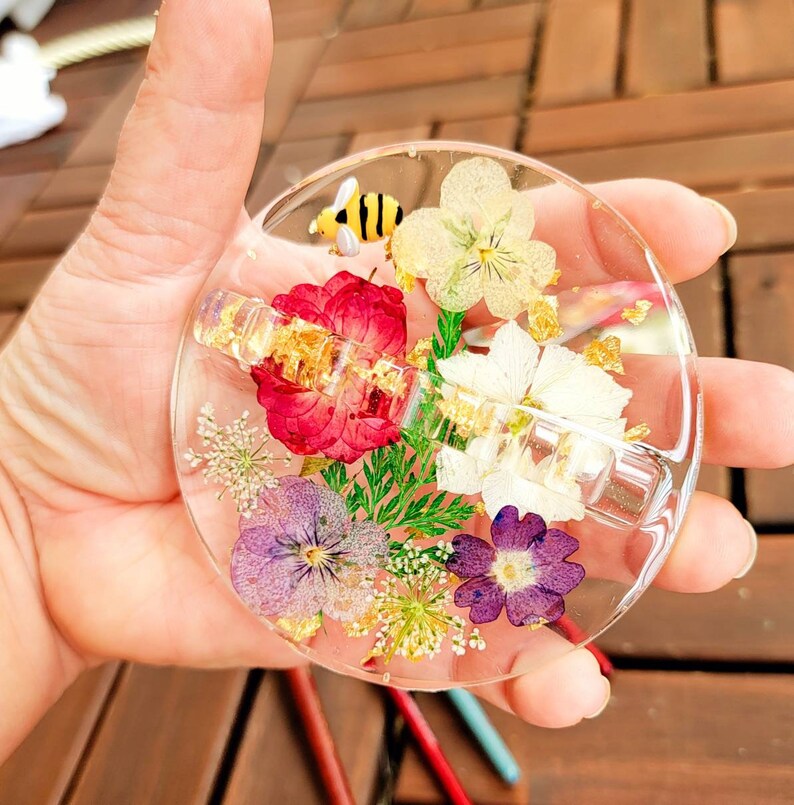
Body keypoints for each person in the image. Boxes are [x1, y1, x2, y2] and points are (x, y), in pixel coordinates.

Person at [1, 0, 792, 762]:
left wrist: (24, 514)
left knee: (535, 451)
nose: (307, 357)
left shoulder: (383, 352)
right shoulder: (299, 403)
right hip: (446, 433)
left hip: (481, 414)